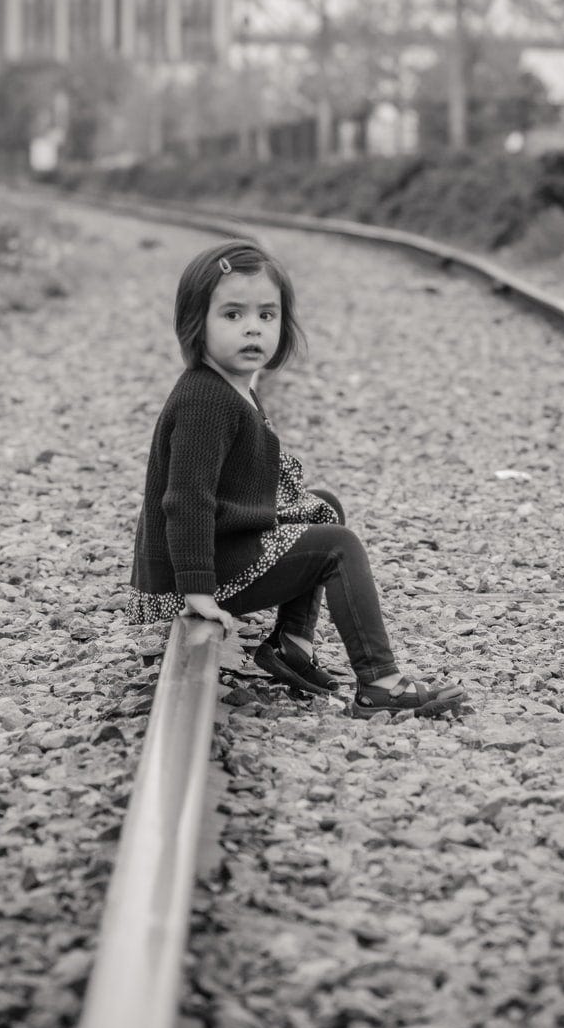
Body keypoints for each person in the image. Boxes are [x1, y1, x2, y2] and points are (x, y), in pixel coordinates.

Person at [127, 239, 466, 720]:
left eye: (266, 316)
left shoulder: (231, 385)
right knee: (339, 545)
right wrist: (197, 591)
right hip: (211, 564)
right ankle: (380, 684)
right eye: (232, 315)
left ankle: (292, 646)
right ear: (194, 324)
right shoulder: (205, 401)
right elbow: (185, 501)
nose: (253, 328)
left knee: (322, 505)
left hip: (225, 543)